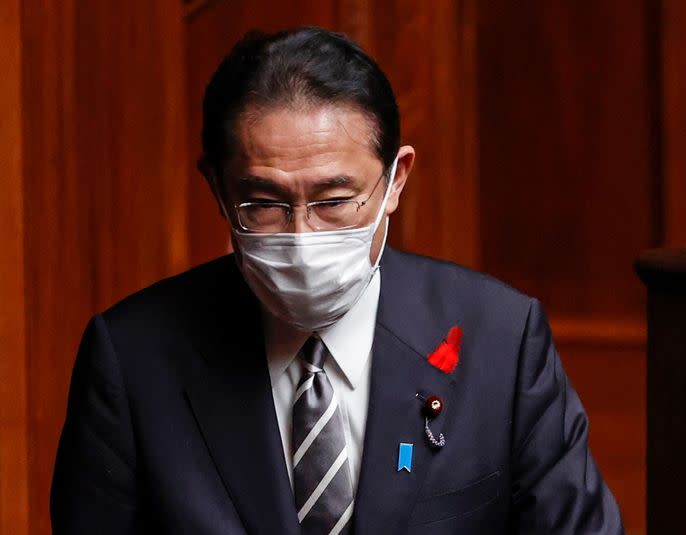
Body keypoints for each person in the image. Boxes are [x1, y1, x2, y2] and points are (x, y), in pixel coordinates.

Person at [50, 27, 624, 534]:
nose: (302, 236)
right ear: (217, 190)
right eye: (264, 203)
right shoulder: (133, 358)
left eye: (334, 200)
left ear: (395, 180)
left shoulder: (502, 340)